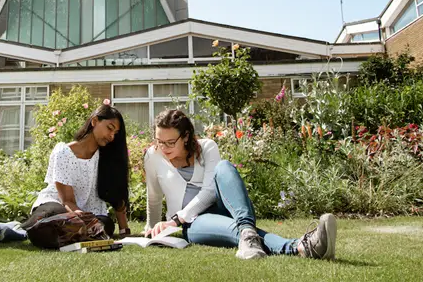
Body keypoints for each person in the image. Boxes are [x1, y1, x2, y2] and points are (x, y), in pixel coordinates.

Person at [144, 109, 337, 260]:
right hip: (194, 223)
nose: (164, 148)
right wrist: (151, 228)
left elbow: (210, 190)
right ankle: (303, 247)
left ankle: (248, 231)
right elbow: (153, 196)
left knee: (224, 166)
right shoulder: (153, 155)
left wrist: (176, 219)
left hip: (220, 208)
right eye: (160, 142)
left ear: (185, 136)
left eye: (170, 142)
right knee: (242, 231)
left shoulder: (207, 147)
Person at [0, 104, 131, 243]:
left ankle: (30, 232)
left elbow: (117, 195)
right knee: (54, 216)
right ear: (94, 121)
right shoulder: (64, 152)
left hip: (88, 216)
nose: (112, 136)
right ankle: (21, 229)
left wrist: (124, 230)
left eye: (115, 133)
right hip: (58, 206)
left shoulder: (108, 158)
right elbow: (67, 200)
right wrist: (78, 215)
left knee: (105, 225)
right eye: (109, 128)